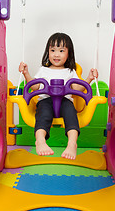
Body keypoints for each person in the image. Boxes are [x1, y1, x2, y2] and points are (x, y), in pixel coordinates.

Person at [19, 32, 98, 160]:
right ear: (48, 52)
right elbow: (35, 87)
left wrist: (89, 78)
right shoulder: (43, 70)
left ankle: (72, 143)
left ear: (69, 54)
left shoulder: (70, 71)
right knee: (43, 115)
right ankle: (40, 141)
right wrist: (26, 73)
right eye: (53, 50)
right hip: (46, 101)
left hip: (65, 101)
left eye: (61, 50)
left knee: (71, 113)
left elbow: (77, 88)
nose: (56, 54)